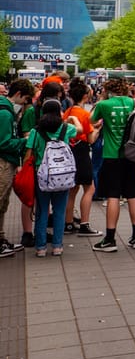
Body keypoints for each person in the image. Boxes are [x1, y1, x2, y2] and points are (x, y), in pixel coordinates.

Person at [90, 77, 135, 252]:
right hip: (133, 154)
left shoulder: (104, 105)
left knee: (113, 196)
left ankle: (110, 239)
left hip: (112, 155)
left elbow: (91, 121)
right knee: (133, 195)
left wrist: (101, 101)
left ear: (107, 90)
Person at [26, 98, 81, 257]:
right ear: (59, 111)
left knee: (42, 211)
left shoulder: (36, 131)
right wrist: (73, 118)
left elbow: (29, 153)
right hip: (62, 177)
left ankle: (41, 248)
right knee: (59, 211)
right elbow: (80, 130)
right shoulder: (66, 128)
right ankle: (57, 246)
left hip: (41, 176)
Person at [0, 79, 35, 258]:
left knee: (3, 203)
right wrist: (25, 141)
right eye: (26, 99)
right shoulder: (5, 114)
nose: (25, 104)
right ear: (19, 94)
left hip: (7, 161)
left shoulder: (5, 110)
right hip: (4, 162)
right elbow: (4, 142)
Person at [63, 78, 102, 236]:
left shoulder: (68, 112)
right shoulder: (84, 114)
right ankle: (85, 224)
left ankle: (68, 223)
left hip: (69, 151)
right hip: (81, 152)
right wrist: (98, 128)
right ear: (85, 96)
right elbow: (91, 139)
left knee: (72, 189)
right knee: (89, 188)